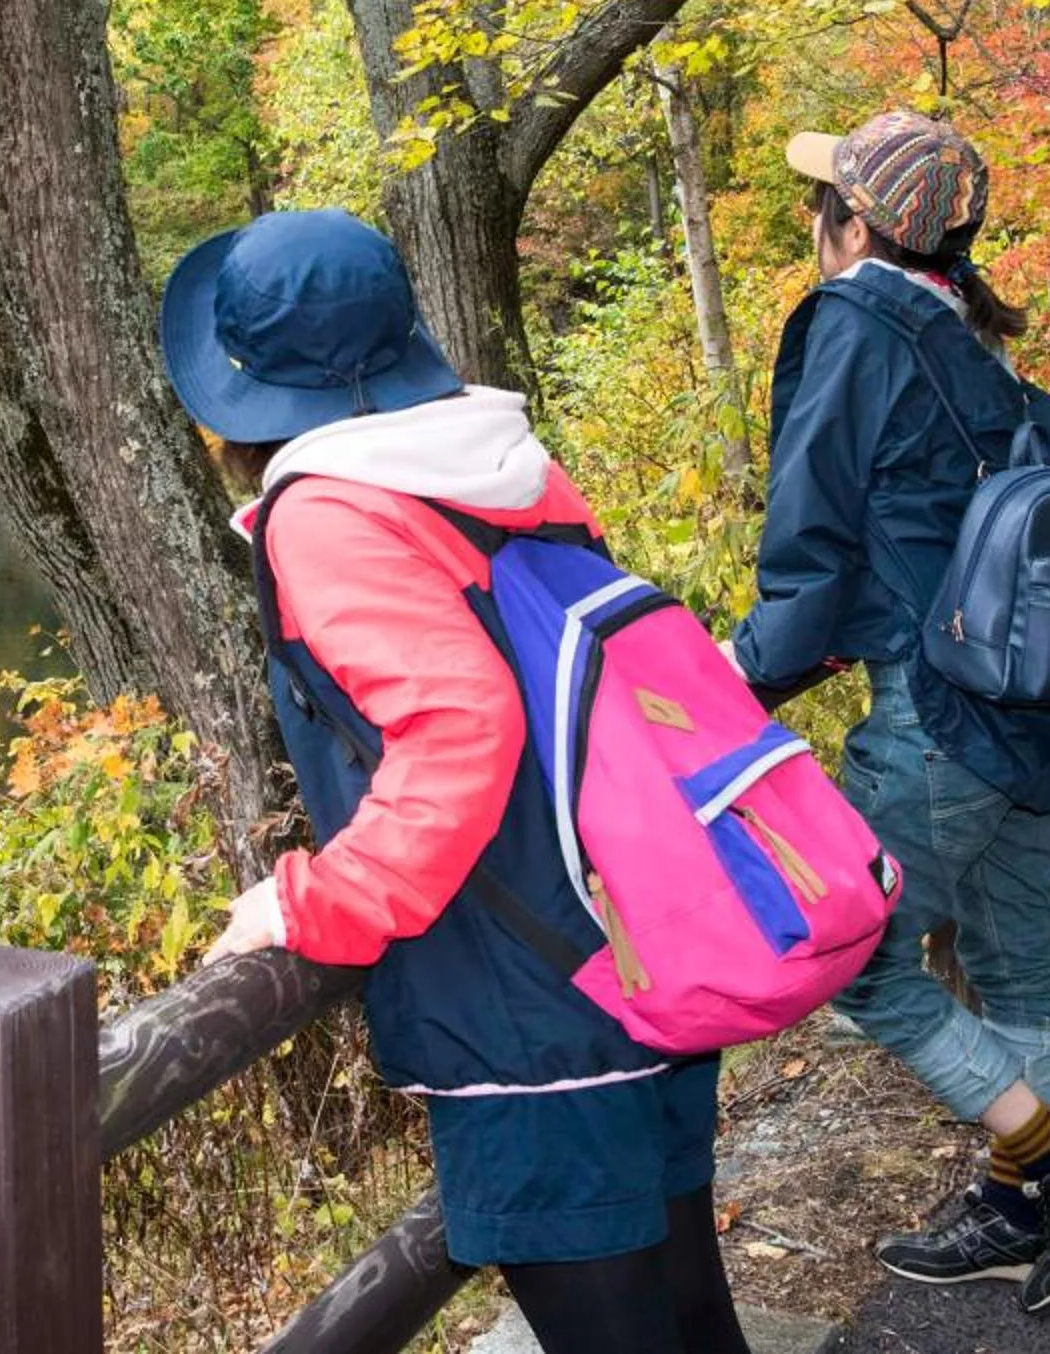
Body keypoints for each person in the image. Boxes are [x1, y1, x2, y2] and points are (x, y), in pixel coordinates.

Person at [164, 208, 749, 1354]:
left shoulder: (327, 512)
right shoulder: (503, 465)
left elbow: (461, 726)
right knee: (686, 1318)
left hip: (529, 1006)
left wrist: (313, 899)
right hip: (634, 942)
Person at [730, 110, 1050, 1314]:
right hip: (1033, 698)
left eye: (823, 202)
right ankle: (1030, 1211)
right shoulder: (967, 328)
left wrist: (735, 678)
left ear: (853, 224)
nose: (815, 220)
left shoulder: (856, 324)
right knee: (1016, 954)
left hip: (940, 713)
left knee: (848, 951)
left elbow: (809, 544)